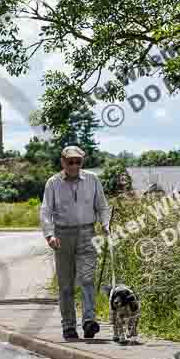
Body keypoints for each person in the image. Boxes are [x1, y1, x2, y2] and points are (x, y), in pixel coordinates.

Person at [40, 145, 111, 340]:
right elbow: (45, 211)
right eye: (70, 162)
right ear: (63, 162)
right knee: (66, 285)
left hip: (88, 233)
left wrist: (105, 224)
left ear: (82, 162)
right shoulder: (53, 183)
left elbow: (103, 207)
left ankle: (89, 321)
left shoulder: (92, 179)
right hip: (62, 236)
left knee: (87, 278)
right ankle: (69, 326)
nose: (74, 165)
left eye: (77, 162)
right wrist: (49, 235)